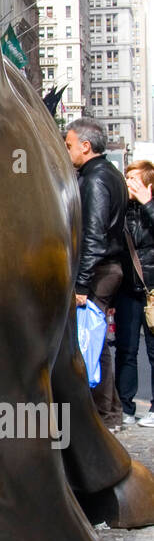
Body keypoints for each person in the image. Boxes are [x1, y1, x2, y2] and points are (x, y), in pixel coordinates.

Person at [64, 119, 128, 432]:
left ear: (85, 146)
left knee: (92, 342)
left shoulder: (96, 179)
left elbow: (93, 235)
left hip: (99, 270)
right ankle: (109, 412)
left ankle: (104, 415)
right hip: (105, 267)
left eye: (69, 145)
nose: (67, 151)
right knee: (96, 341)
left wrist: (82, 284)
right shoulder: (108, 174)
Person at [115, 160, 154, 427]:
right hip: (127, 289)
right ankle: (126, 406)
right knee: (126, 350)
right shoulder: (122, 210)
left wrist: (148, 204)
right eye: (127, 178)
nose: (128, 183)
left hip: (152, 291)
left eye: (134, 179)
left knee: (153, 352)